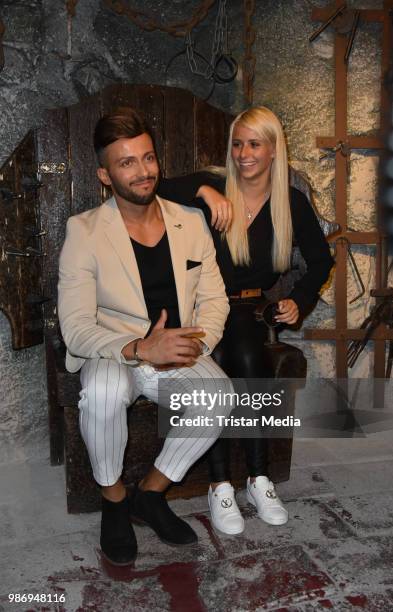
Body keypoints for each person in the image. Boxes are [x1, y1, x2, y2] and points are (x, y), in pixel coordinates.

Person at [57, 107, 233, 566]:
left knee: (220, 396)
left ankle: (151, 493)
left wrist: (196, 344)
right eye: (127, 162)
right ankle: (114, 499)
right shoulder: (84, 231)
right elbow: (75, 329)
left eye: (148, 157)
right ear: (105, 174)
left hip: (176, 349)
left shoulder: (190, 221)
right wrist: (138, 348)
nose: (142, 171)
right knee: (103, 391)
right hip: (116, 351)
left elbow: (216, 299)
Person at [158, 105, 334, 535]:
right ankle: (223, 484)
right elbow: (154, 185)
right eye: (237, 143)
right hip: (200, 304)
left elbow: (320, 260)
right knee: (231, 359)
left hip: (249, 308)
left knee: (247, 356)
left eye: (254, 144)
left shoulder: (290, 201)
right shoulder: (217, 183)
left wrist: (299, 299)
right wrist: (204, 191)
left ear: (274, 150)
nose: (243, 153)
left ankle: (255, 481)